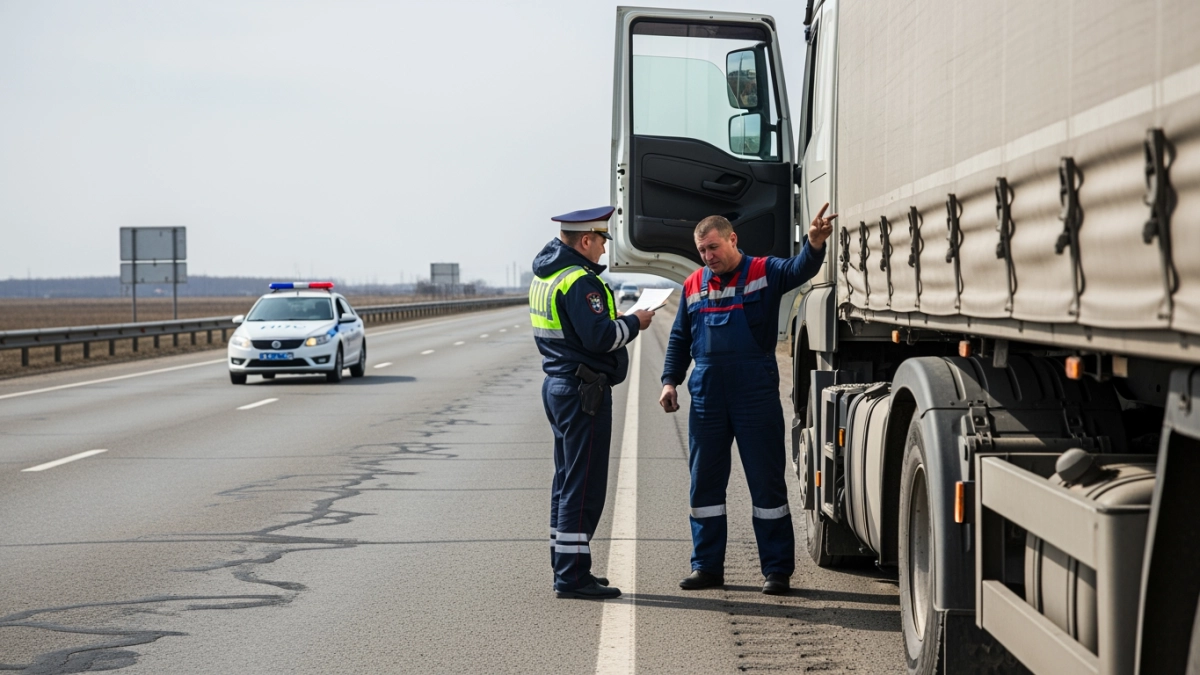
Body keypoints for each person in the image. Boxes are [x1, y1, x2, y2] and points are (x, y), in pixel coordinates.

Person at [659, 204, 837, 595]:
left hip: (754, 391)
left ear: (732, 239)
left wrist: (813, 244)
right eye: (702, 250)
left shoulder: (764, 271)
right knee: (704, 485)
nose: (708, 256)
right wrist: (670, 381)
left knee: (766, 482)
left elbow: (799, 270)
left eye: (713, 247)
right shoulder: (692, 286)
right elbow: (679, 339)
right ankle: (706, 566)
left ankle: (776, 570)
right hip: (707, 395)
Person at [530, 205, 655, 600]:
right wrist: (635, 322)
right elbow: (600, 338)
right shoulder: (578, 281)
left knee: (566, 481)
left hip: (559, 386)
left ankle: (568, 563)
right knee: (583, 486)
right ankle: (572, 576)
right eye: (602, 240)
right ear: (586, 240)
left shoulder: (547, 277)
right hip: (584, 391)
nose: (604, 249)